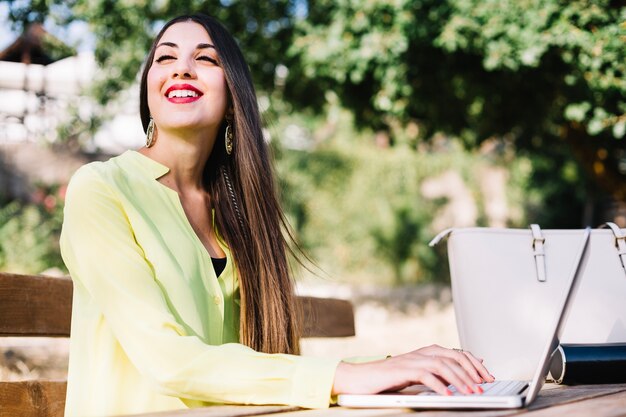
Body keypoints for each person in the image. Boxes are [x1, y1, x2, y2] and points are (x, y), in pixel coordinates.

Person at [60, 13, 494, 417]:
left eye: (205, 58)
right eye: (166, 56)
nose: (182, 67)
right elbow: (169, 360)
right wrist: (354, 375)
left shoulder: (235, 215)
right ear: (149, 90)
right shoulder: (100, 190)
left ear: (233, 99)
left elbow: (262, 366)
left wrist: (403, 368)